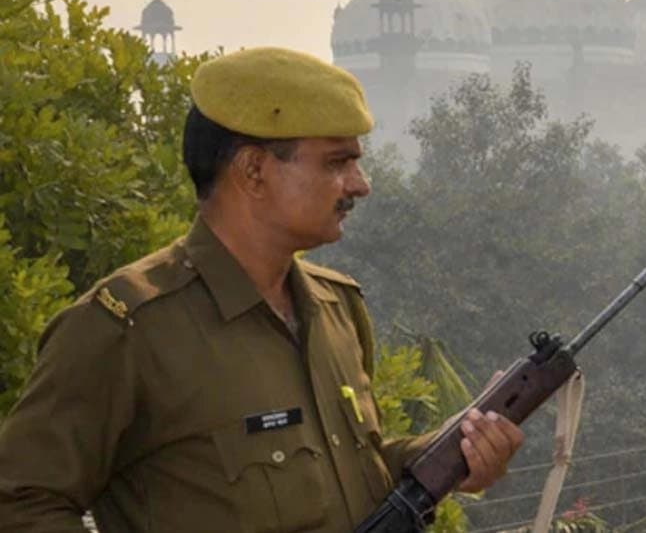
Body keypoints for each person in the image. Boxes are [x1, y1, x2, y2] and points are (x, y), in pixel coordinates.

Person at [0, 47, 524, 532]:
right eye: (336, 162)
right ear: (253, 171)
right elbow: (21, 503)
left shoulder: (337, 309)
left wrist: (448, 454)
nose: (360, 184)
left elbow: (346, 474)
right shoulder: (127, 327)